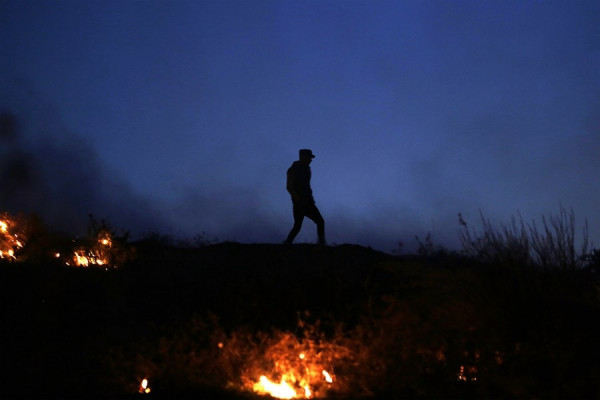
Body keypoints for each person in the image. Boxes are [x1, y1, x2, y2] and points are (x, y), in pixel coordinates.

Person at [284, 149, 325, 245]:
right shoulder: (294, 169)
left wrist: (310, 199)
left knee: (298, 226)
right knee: (319, 222)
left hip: (307, 201)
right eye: (309, 157)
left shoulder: (307, 169)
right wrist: (298, 199)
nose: (311, 160)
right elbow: (289, 187)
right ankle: (322, 244)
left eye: (311, 158)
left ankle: (287, 244)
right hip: (300, 202)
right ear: (303, 157)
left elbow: (306, 186)